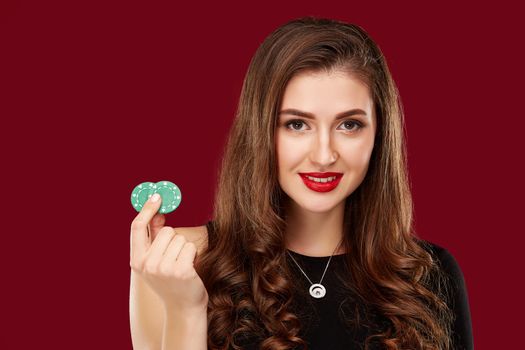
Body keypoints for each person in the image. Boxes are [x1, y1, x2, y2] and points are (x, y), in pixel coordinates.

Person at [129, 16, 473, 350]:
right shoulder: (179, 261)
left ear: (380, 135)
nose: (324, 155)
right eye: (296, 124)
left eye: (349, 125)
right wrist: (184, 311)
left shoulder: (429, 273)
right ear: (261, 130)